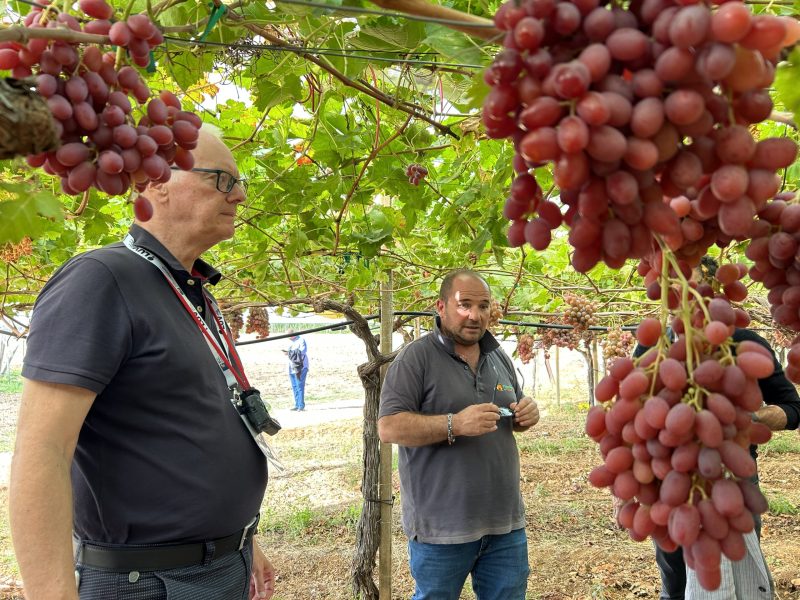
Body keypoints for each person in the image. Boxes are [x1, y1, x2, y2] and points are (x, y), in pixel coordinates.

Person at [9, 126, 276, 600]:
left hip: (218, 566)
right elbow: (42, 452)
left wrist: (240, 538)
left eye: (241, 184)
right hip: (149, 582)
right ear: (156, 182)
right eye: (222, 180)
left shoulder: (191, 290)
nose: (239, 196)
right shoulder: (101, 280)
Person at [635, 256, 800, 600]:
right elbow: (631, 417)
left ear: (712, 289)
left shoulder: (744, 342)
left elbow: (794, 408)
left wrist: (757, 418)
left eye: (689, 282)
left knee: (740, 576)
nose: (679, 291)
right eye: (673, 283)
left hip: (731, 482)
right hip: (671, 482)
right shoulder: (652, 347)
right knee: (676, 582)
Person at [378, 269, 540, 600]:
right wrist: (454, 424)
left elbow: (512, 412)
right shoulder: (416, 358)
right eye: (464, 304)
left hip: (505, 525)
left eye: (483, 306)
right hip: (441, 531)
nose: (475, 315)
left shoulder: (498, 356)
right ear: (441, 307)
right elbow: (389, 426)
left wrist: (526, 415)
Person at [283, 331, 308, 411]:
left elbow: (302, 352)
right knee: (294, 386)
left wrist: (289, 353)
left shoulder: (301, 340)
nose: (287, 337)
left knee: (299, 386)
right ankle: (297, 404)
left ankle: (301, 405)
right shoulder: (288, 342)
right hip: (291, 367)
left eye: (288, 335)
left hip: (300, 367)